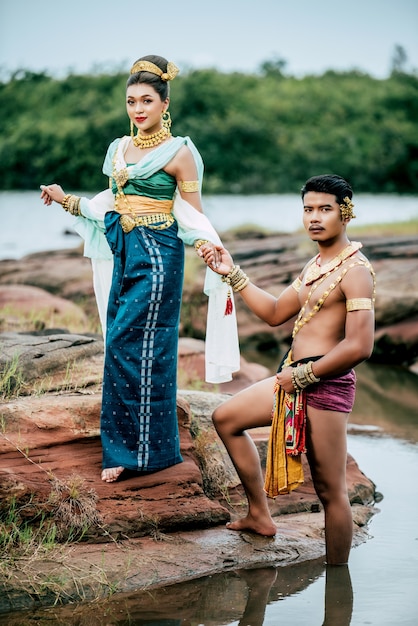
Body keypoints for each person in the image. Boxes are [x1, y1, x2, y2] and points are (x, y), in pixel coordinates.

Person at [40, 54, 240, 484]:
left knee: (146, 348)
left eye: (147, 100)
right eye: (131, 101)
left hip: (159, 255)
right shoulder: (118, 148)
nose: (138, 109)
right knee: (119, 343)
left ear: (165, 103)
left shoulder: (181, 152)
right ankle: (135, 449)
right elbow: (107, 204)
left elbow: (192, 213)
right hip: (125, 251)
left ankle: (142, 455)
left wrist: (206, 245)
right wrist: (63, 198)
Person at [199, 174, 376, 565]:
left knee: (331, 491)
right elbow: (276, 313)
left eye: (325, 209)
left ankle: (337, 588)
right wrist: (233, 272)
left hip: (324, 384)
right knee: (226, 418)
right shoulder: (316, 263)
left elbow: (360, 345)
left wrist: (304, 376)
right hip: (291, 378)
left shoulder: (356, 270)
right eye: (308, 209)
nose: (315, 217)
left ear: (345, 213)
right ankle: (260, 515)